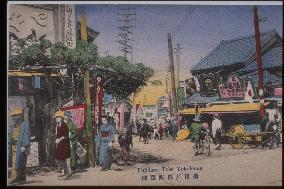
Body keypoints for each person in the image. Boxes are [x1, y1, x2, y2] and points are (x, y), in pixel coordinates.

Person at [8, 107, 30, 184]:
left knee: (21, 162)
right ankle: (17, 177)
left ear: (20, 116)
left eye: (15, 116)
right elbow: (11, 135)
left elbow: (26, 135)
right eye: (13, 116)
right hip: (14, 146)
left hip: (21, 146)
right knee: (15, 162)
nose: (13, 117)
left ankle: (21, 177)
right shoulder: (14, 125)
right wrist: (10, 141)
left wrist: (24, 146)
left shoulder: (24, 125)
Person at [54, 110, 71, 179]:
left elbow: (65, 135)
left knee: (62, 158)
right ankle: (64, 172)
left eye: (59, 117)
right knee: (58, 158)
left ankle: (66, 173)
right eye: (56, 117)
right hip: (60, 144)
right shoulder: (58, 125)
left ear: (62, 118)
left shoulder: (64, 125)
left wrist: (59, 139)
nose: (57, 119)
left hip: (64, 143)